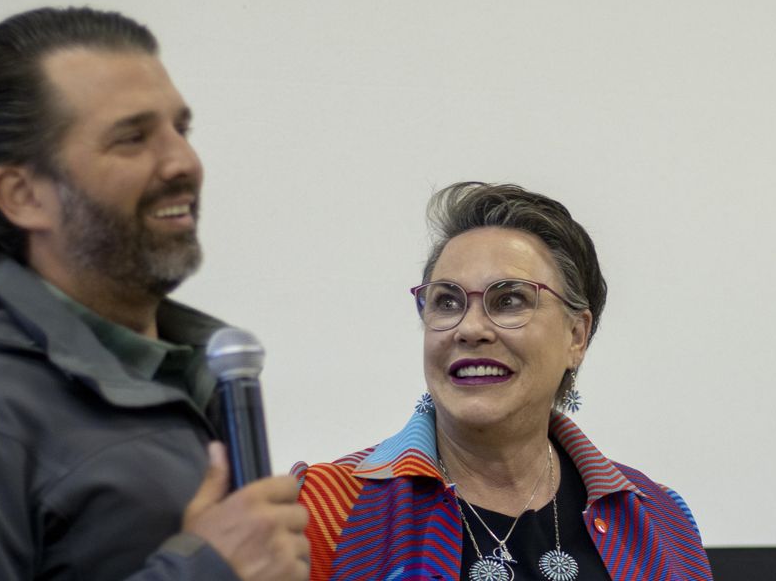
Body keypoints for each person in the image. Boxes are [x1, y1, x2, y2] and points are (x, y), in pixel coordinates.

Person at [0, 7, 308, 580]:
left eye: (180, 130)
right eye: (132, 138)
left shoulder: (183, 385)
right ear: (21, 195)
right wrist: (203, 571)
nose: (183, 161)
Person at [295, 182, 713, 580]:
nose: (470, 328)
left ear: (576, 336)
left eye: (509, 299)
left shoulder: (659, 517)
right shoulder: (321, 510)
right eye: (446, 301)